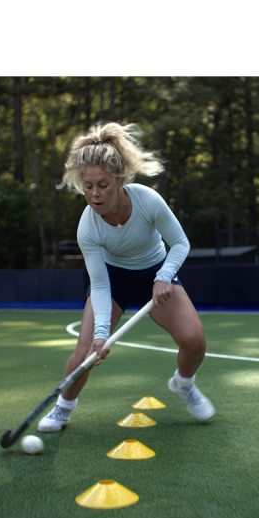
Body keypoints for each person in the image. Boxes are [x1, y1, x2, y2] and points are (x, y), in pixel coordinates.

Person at [38, 121, 215, 432]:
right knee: (84, 353)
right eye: (87, 186)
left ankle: (184, 384)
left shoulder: (148, 200)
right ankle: (62, 409)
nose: (94, 194)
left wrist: (164, 276)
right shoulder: (87, 228)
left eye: (102, 185)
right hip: (113, 280)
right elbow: (101, 284)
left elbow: (181, 243)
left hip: (156, 274)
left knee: (195, 341)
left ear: (119, 180)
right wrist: (101, 335)